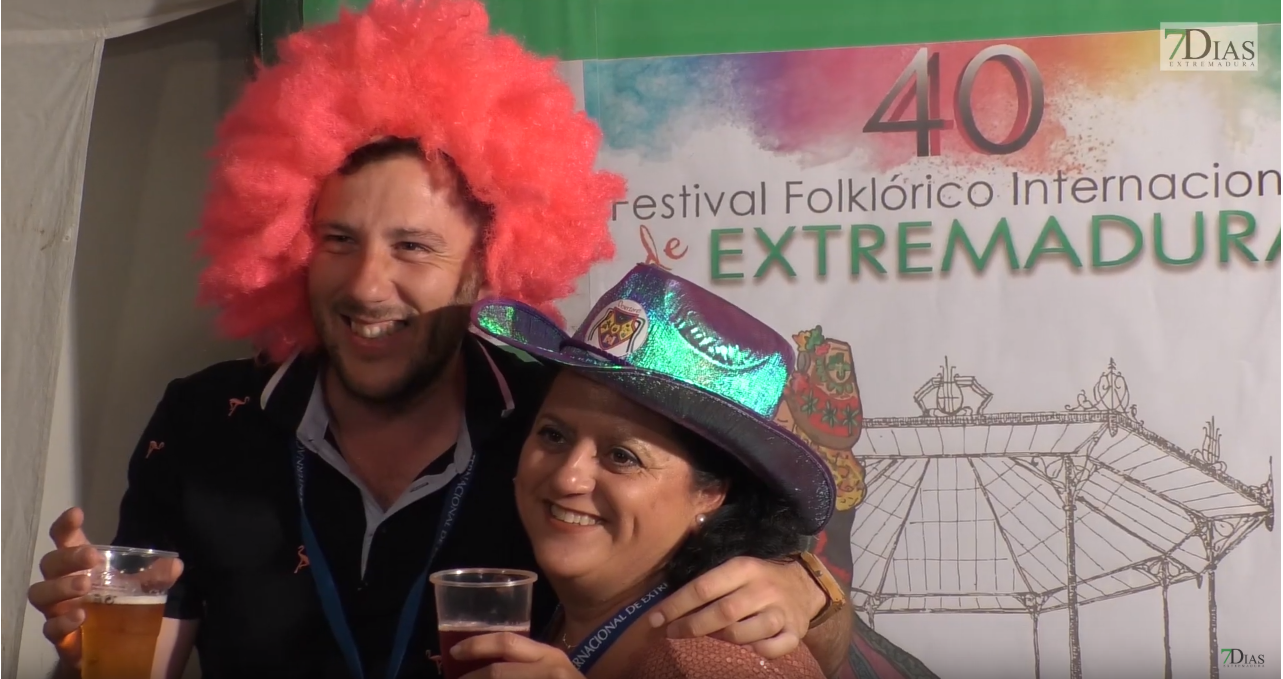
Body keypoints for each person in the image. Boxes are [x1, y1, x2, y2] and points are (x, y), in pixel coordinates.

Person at [26, 1, 851, 678]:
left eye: (413, 247)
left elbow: (690, 566)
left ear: (486, 264)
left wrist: (811, 593)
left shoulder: (549, 427)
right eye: (336, 239)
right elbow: (135, 660)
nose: (364, 284)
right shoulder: (205, 419)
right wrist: (86, 638)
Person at [447, 264, 840, 679]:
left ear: (710, 493)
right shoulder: (557, 604)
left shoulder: (717, 657)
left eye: (621, 456)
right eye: (554, 436)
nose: (568, 477)